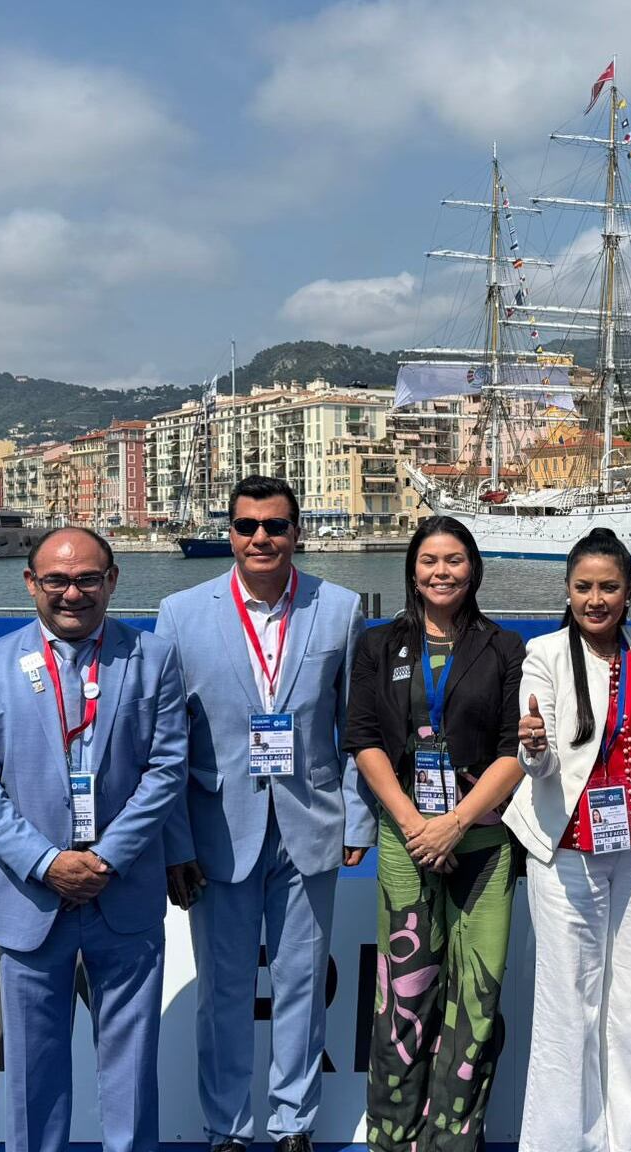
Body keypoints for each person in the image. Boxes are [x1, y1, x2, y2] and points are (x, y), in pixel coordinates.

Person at [0, 527, 189, 1152]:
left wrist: (105, 858)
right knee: (34, 1073)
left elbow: (167, 770)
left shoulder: (154, 657)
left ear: (112, 581)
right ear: (31, 584)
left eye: (88, 578)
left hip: (123, 892)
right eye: (56, 579)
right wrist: (46, 861)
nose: (72, 592)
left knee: (132, 1071)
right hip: (30, 899)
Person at [157, 476, 372, 1152]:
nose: (261, 538)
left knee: (302, 988)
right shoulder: (181, 612)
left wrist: (356, 821)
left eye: (275, 526)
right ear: (229, 533)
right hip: (218, 834)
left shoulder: (338, 609)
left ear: (296, 531)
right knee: (223, 993)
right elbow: (166, 743)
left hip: (310, 828)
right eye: (247, 525)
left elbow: (355, 728)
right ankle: (226, 1128)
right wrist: (175, 842)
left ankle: (293, 1127)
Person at [343, 515, 526, 1152]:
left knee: (475, 1002)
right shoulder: (378, 646)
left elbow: (514, 752)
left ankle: (454, 1140)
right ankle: (392, 1138)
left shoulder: (505, 649)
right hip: (405, 840)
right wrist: (414, 823)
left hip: (482, 844)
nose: (441, 572)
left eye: (453, 560)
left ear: (472, 569)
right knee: (403, 1000)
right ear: (412, 572)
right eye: (429, 561)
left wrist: (453, 823)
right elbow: (363, 739)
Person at [505, 528, 631, 1152]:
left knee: (629, 1009)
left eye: (609, 587)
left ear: (630, 592)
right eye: (584, 587)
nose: (596, 599)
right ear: (568, 592)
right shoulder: (545, 654)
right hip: (567, 850)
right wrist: (532, 748)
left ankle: (620, 1142)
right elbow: (544, 758)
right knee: (566, 1007)